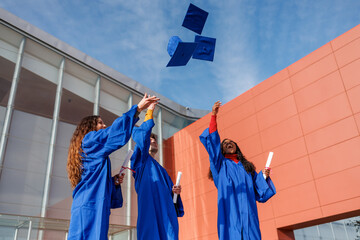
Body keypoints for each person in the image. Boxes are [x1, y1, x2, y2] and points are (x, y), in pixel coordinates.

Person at [67, 93, 159, 240]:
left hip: (93, 204)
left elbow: (92, 179)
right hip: (88, 206)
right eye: (100, 123)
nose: (104, 126)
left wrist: (112, 182)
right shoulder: (89, 141)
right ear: (89, 128)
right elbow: (113, 133)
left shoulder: (91, 150)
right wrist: (138, 109)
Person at [199, 101, 276, 240]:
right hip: (230, 211)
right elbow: (213, 142)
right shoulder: (219, 165)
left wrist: (263, 177)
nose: (228, 143)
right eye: (225, 143)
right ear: (221, 150)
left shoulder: (247, 167)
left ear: (236, 147)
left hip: (249, 214)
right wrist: (213, 116)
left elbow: (259, 191)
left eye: (231, 142)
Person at [131, 101, 184, 240]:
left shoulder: (162, 171)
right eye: (150, 139)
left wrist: (175, 193)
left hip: (166, 216)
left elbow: (173, 202)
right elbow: (141, 137)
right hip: (150, 211)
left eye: (155, 140)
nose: (154, 141)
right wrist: (149, 111)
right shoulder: (140, 160)